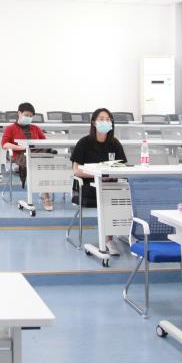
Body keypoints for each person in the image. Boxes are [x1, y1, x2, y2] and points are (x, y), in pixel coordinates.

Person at [70, 109, 127, 254]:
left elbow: (122, 167)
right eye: (101, 119)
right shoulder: (84, 143)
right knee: (110, 197)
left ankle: (115, 235)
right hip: (88, 185)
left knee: (124, 194)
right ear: (94, 123)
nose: (105, 122)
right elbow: (76, 171)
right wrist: (98, 175)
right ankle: (107, 240)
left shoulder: (115, 143)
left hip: (110, 184)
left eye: (108, 119)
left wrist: (111, 176)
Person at [0, 102, 53, 211]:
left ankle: (44, 190)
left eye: (30, 116)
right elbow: (5, 144)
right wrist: (21, 147)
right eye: (26, 115)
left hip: (35, 154)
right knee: (37, 164)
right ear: (19, 113)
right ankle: (46, 197)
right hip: (19, 155)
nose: (28, 118)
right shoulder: (10, 128)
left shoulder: (35, 128)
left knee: (44, 162)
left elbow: (44, 142)